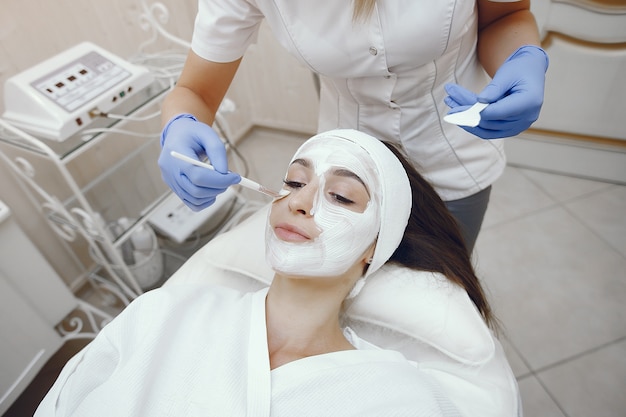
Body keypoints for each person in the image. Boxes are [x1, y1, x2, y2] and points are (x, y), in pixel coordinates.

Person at [35, 129, 501, 416]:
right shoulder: (163, 310)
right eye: (295, 182)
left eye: (340, 196)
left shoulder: (400, 399)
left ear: (375, 249)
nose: (298, 200)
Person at [157, 0, 549, 252]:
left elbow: (506, 14)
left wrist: (522, 61)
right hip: (345, 172)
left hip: (452, 158)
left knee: (440, 291)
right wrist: (179, 125)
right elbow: (194, 90)